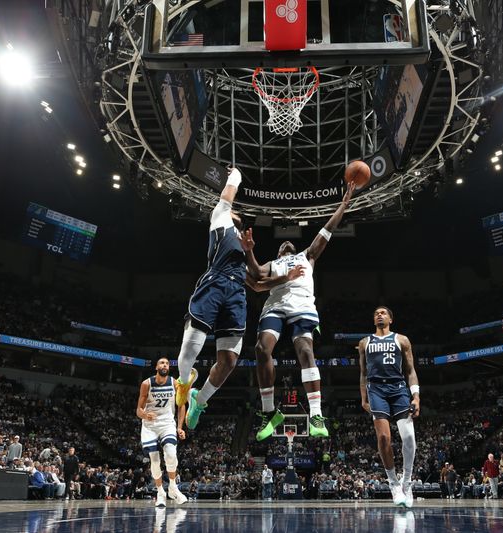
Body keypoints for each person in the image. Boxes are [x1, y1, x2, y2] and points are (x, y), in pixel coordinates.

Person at [246, 182, 356, 440]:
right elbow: (257, 273)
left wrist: (344, 205)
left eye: (288, 245)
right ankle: (269, 412)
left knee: (306, 351)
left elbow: (327, 230)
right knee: (261, 350)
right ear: (278, 251)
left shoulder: (307, 255)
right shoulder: (274, 263)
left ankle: (316, 414)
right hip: (275, 305)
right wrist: (249, 251)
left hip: (302, 306)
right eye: (281, 245)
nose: (285, 244)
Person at [174, 167, 257, 430]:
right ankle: (185, 382)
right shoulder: (220, 217)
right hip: (215, 283)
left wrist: (253, 255)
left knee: (230, 361)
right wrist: (237, 176)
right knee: (190, 348)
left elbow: (256, 281)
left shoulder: (245, 245)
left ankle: (200, 401)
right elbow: (228, 195)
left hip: (236, 293)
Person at [358, 306, 420, 507]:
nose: (379, 314)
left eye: (383, 312)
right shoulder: (364, 343)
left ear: (391, 319)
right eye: (376, 312)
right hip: (376, 390)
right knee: (384, 437)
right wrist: (363, 398)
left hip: (399, 388)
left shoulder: (402, 340)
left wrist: (416, 396)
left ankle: (407, 481)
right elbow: (363, 373)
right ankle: (394, 484)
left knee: (409, 436)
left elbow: (410, 370)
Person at [137, 357, 188, 507]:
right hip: (150, 425)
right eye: (161, 363)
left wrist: (180, 427)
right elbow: (138, 410)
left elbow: (181, 405)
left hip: (167, 423)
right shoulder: (146, 384)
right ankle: (160, 492)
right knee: (155, 459)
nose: (164, 365)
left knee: (171, 454)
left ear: (169, 368)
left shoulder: (175, 383)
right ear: (156, 367)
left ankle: (173, 486)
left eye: (167, 363)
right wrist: (145, 415)